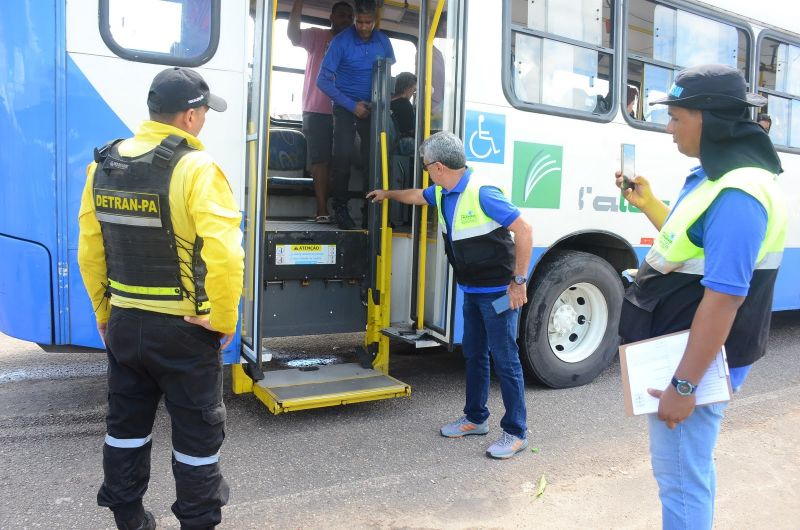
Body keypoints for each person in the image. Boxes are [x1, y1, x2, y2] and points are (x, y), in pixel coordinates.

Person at [616, 64, 787, 529]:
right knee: (685, 473)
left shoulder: (738, 193)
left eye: (676, 117)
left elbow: (725, 298)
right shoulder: (715, 177)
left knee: (681, 481)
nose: (668, 128)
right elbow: (683, 245)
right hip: (682, 349)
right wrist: (649, 204)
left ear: (708, 118)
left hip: (693, 361)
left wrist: (685, 386)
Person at [78, 67, 245, 530]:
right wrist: (223, 316)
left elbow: (90, 250)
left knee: (126, 429)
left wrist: (104, 312)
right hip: (184, 331)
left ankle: (129, 518)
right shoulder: (196, 168)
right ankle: (197, 522)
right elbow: (227, 254)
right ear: (190, 116)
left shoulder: (103, 165)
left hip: (126, 323)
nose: (205, 121)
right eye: (205, 113)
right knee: (196, 438)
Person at [367, 131, 533, 459]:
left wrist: (519, 282)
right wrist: (388, 194)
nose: (427, 172)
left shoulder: (482, 192)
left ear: (440, 167)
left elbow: (524, 230)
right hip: (471, 291)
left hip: (499, 293)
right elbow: (417, 195)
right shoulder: (443, 192)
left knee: (505, 358)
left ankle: (516, 431)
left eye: (428, 167)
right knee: (474, 354)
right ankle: (476, 418)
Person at [317, 0, 395, 229]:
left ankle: (371, 210)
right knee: (342, 157)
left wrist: (377, 103)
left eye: (368, 22)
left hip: (373, 107)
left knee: (376, 159)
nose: (362, 27)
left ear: (374, 20)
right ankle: (340, 210)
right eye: (359, 22)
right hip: (345, 106)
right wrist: (352, 106)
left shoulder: (383, 42)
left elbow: (387, 75)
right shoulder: (340, 42)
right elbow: (322, 80)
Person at [288, 0, 354, 223]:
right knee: (321, 160)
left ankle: (340, 208)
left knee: (342, 161)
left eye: (349, 16)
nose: (346, 20)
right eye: (341, 15)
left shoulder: (354, 44)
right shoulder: (318, 36)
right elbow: (293, 35)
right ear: (332, 18)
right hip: (316, 108)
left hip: (345, 109)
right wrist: (298, 5)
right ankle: (322, 209)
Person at [390, 71, 417, 154]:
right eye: (414, 89)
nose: (413, 93)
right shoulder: (406, 105)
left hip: (392, 142)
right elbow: (409, 130)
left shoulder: (389, 102)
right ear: (408, 88)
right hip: (402, 143)